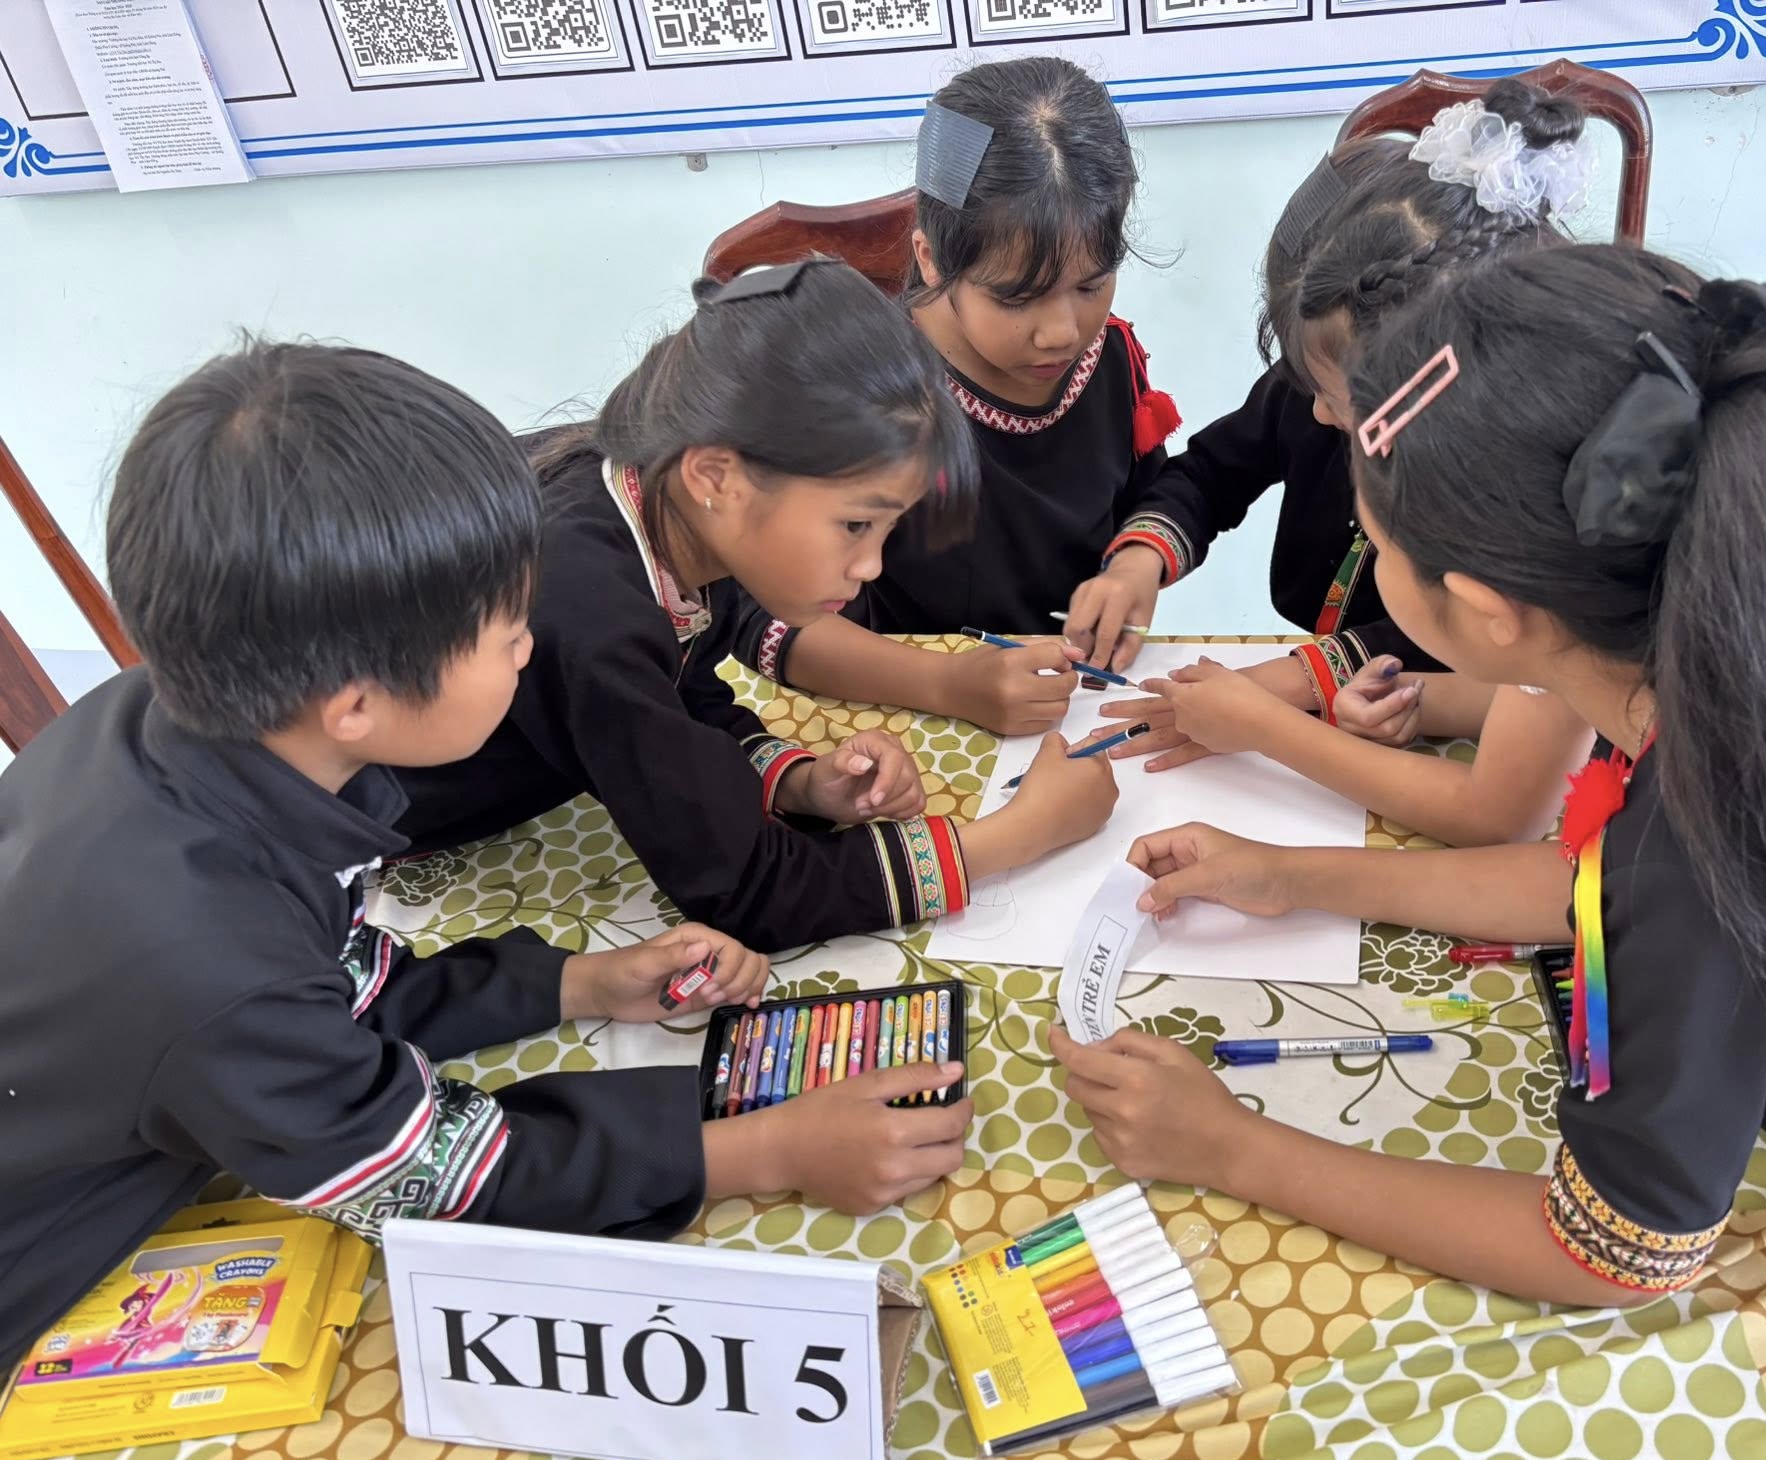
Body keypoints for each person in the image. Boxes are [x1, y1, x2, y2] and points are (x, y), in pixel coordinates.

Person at [1055, 244, 1766, 1326]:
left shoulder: (1710, 830)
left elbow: (1616, 1252)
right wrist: (1286, 874)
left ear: (1488, 611)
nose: (1372, 566)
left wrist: (1231, 1146)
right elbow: (1591, 884)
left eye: (1378, 547)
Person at [0, 341, 976, 1369]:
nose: (527, 644)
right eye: (507, 627)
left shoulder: (169, 727)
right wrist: (764, 1149)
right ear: (357, 703)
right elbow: (430, 1176)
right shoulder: (206, 962)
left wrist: (573, 983)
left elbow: (329, 986)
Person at [394, 259, 1118, 950]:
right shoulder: (587, 608)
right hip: (387, 855)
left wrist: (799, 783)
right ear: (717, 477)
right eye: (856, 525)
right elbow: (749, 890)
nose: (871, 567)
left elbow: (677, 697)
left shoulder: (650, 501)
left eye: (888, 528)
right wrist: (1018, 834)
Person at [1094, 82, 1600, 847]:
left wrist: (1281, 707)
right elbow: (1215, 471)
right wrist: (1142, 558)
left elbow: (1500, 808)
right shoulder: (1322, 383)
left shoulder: (1534, 537)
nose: (1322, 416)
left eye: (1337, 399)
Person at [732, 57, 1180, 737]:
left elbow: (1152, 494)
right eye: (1017, 297)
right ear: (931, 257)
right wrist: (948, 683)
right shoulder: (857, 391)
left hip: (1065, 702)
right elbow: (759, 617)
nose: (1062, 332)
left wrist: (1133, 564)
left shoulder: (1110, 355)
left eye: (1091, 285)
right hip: (896, 712)